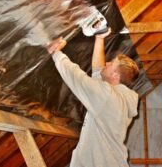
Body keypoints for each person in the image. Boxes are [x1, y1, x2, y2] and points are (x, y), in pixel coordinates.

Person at [47, 28, 139, 167]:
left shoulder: (107, 97)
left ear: (115, 76)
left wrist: (56, 53)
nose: (106, 63)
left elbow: (76, 78)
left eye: (110, 64)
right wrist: (99, 38)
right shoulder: (120, 98)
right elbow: (98, 71)